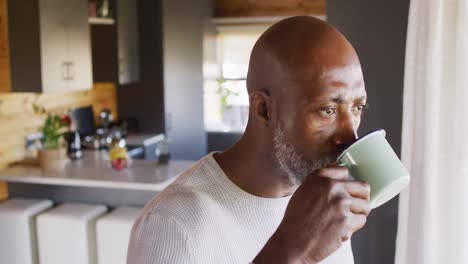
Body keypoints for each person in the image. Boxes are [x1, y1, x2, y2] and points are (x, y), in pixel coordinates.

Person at [127, 16, 371, 264]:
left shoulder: (325, 200)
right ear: (264, 108)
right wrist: (291, 250)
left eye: (357, 107)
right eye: (327, 110)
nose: (351, 137)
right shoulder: (173, 224)